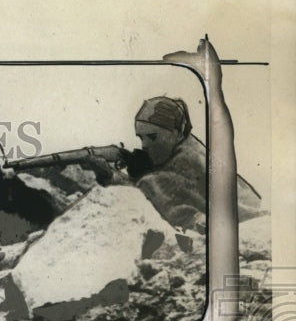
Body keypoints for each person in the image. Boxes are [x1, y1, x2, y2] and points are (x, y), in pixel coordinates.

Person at [94, 97, 262, 230]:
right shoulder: (182, 148)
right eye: (141, 138)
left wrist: (116, 178)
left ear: (176, 132)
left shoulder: (190, 157)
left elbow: (156, 187)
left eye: (152, 137)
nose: (144, 145)